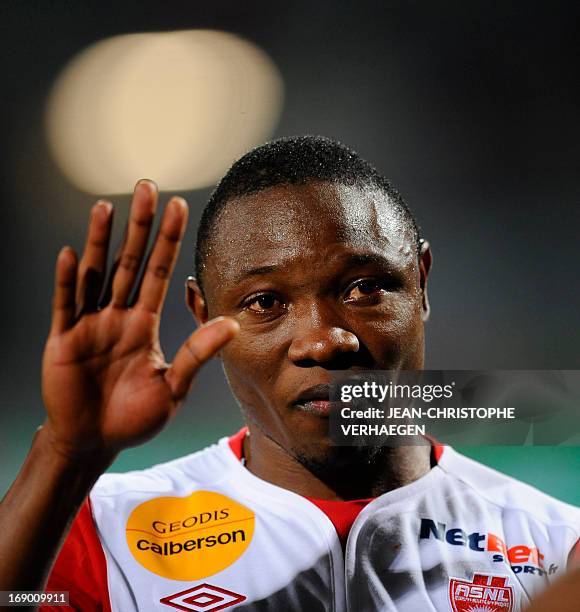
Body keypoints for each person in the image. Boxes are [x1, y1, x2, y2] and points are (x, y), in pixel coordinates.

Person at [0, 136, 578, 611]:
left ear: (421, 282)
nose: (327, 339)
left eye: (365, 287)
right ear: (204, 316)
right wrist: (63, 453)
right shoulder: (105, 534)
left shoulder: (555, 545)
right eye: (265, 302)